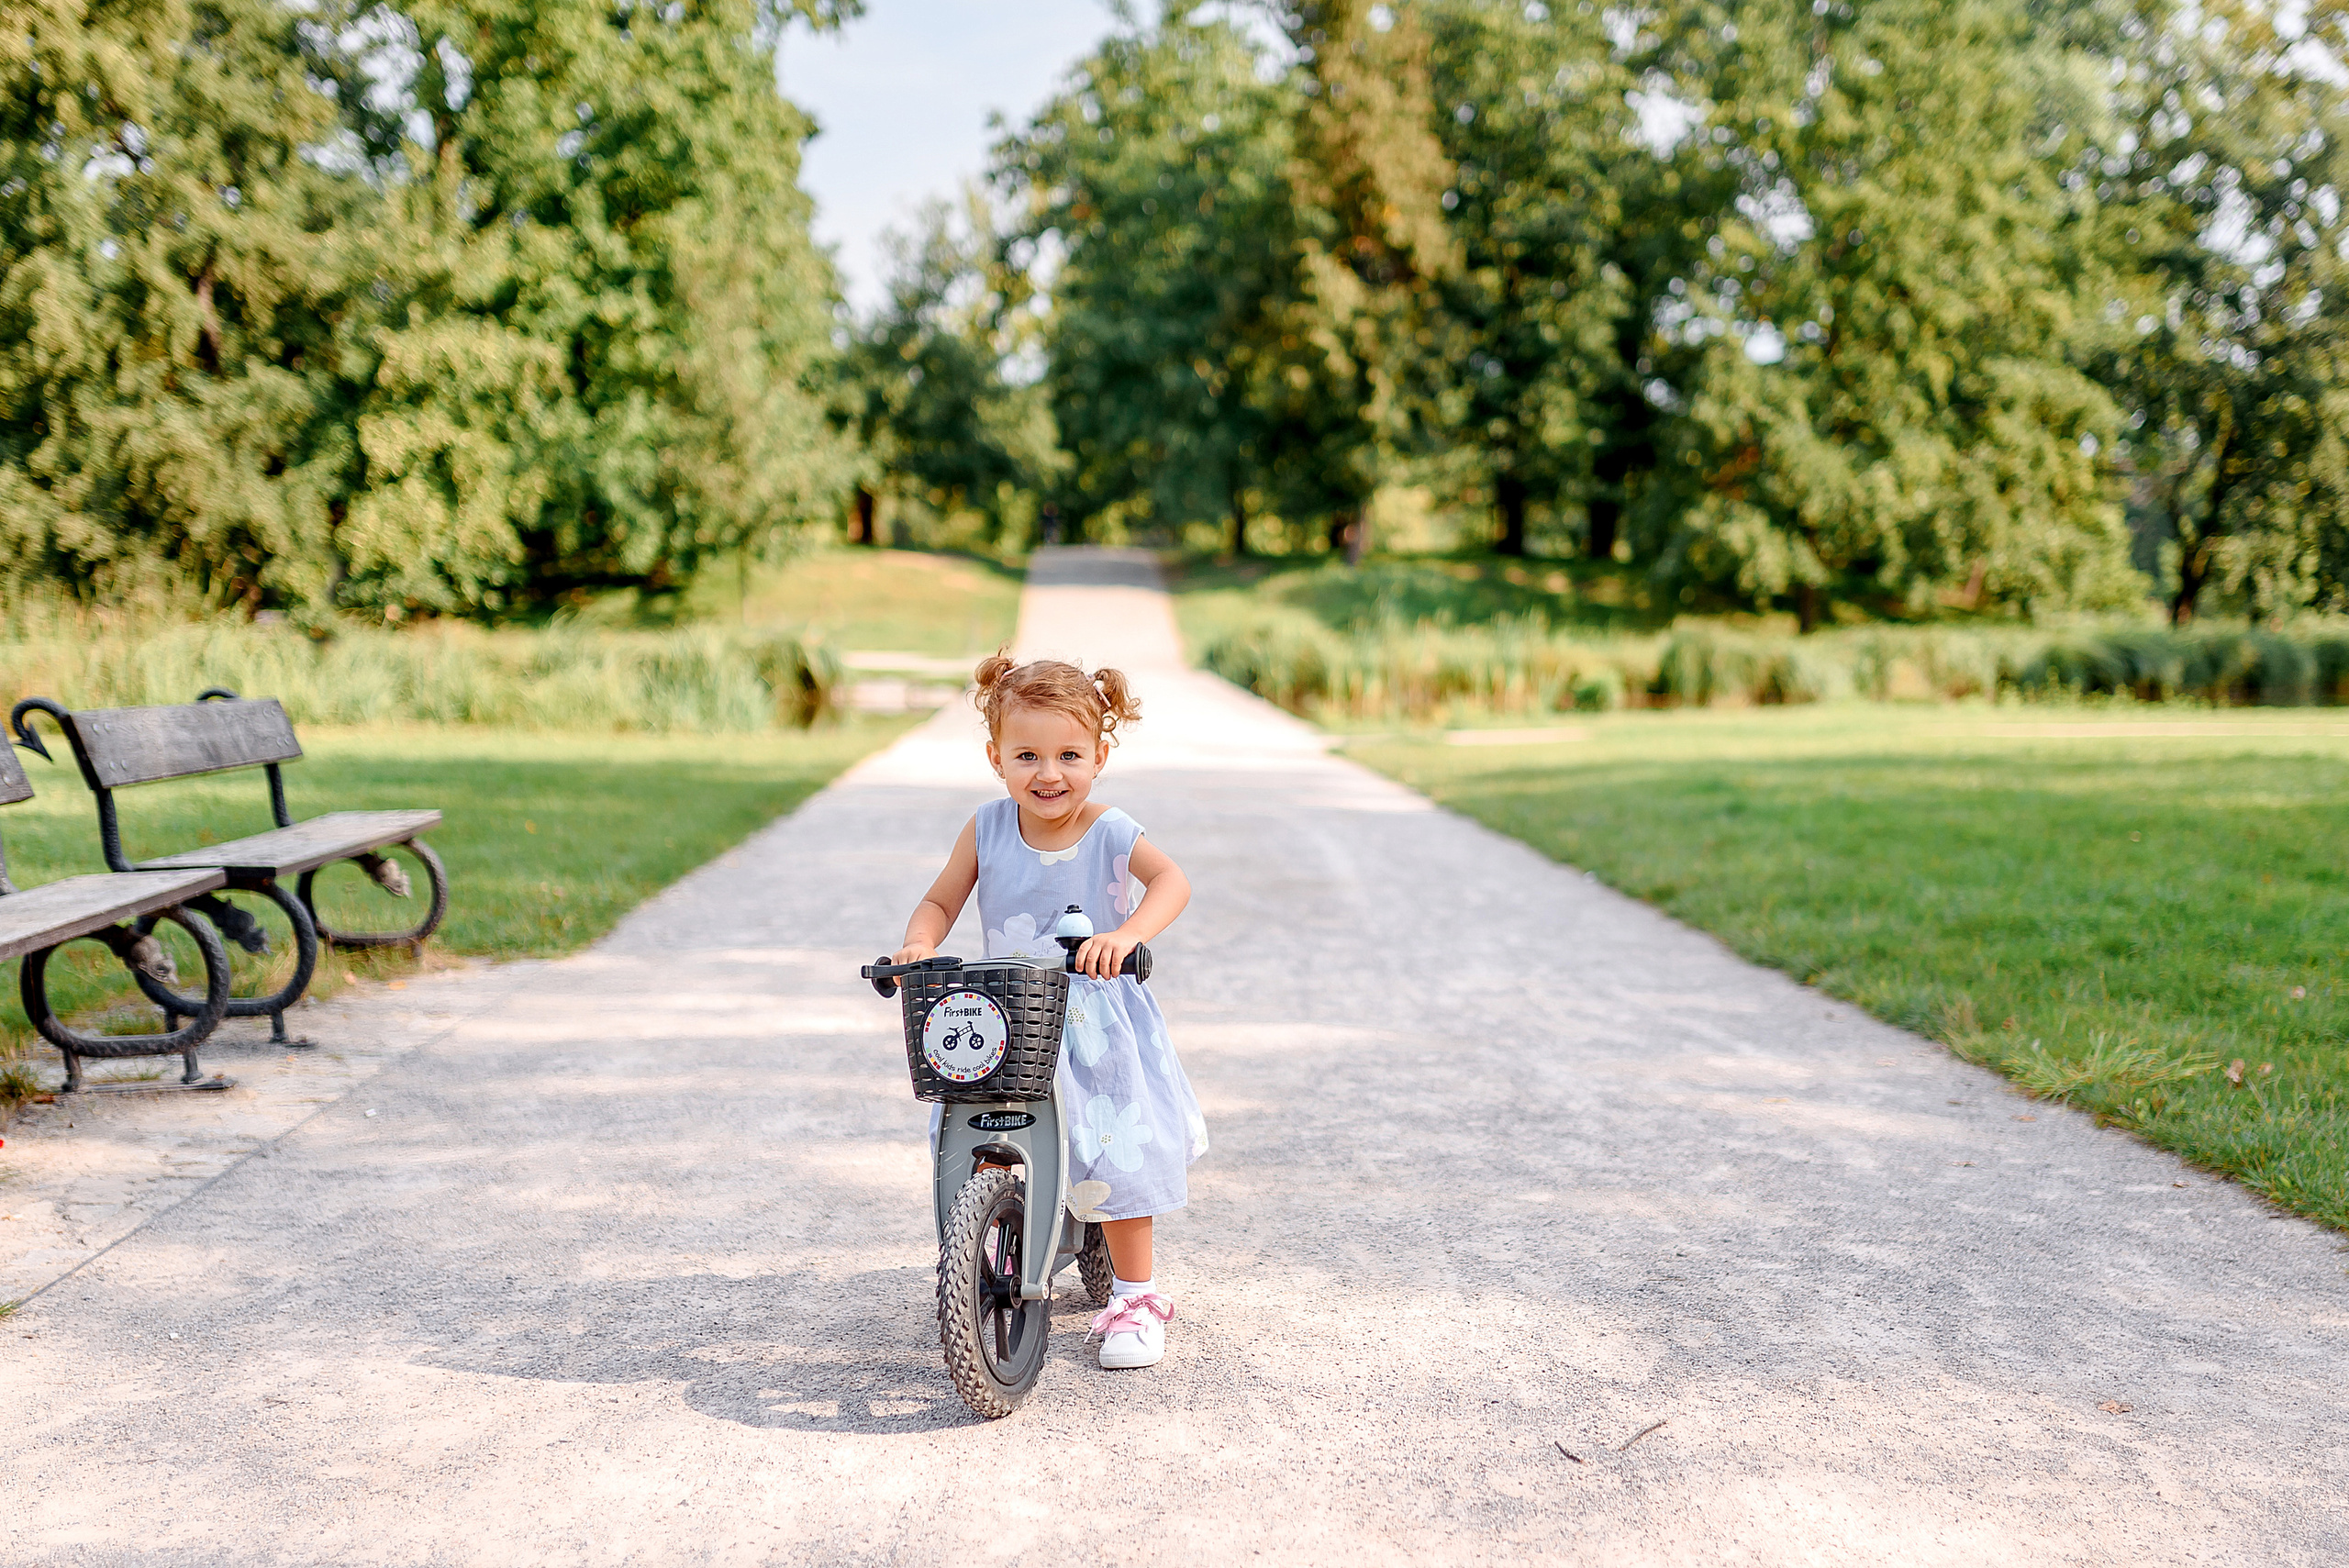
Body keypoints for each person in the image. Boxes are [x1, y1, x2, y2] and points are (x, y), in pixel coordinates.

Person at [892, 652, 1206, 1370]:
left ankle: (1134, 1295)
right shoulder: (987, 828)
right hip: (1008, 1014)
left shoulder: (1109, 830)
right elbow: (942, 900)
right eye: (1026, 754)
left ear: (1099, 754)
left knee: (1115, 1151)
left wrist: (1124, 935)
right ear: (995, 755)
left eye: (1068, 754)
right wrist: (918, 942)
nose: (1048, 773)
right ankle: (988, 1238)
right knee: (975, 1130)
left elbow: (1172, 880)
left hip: (1092, 1020)